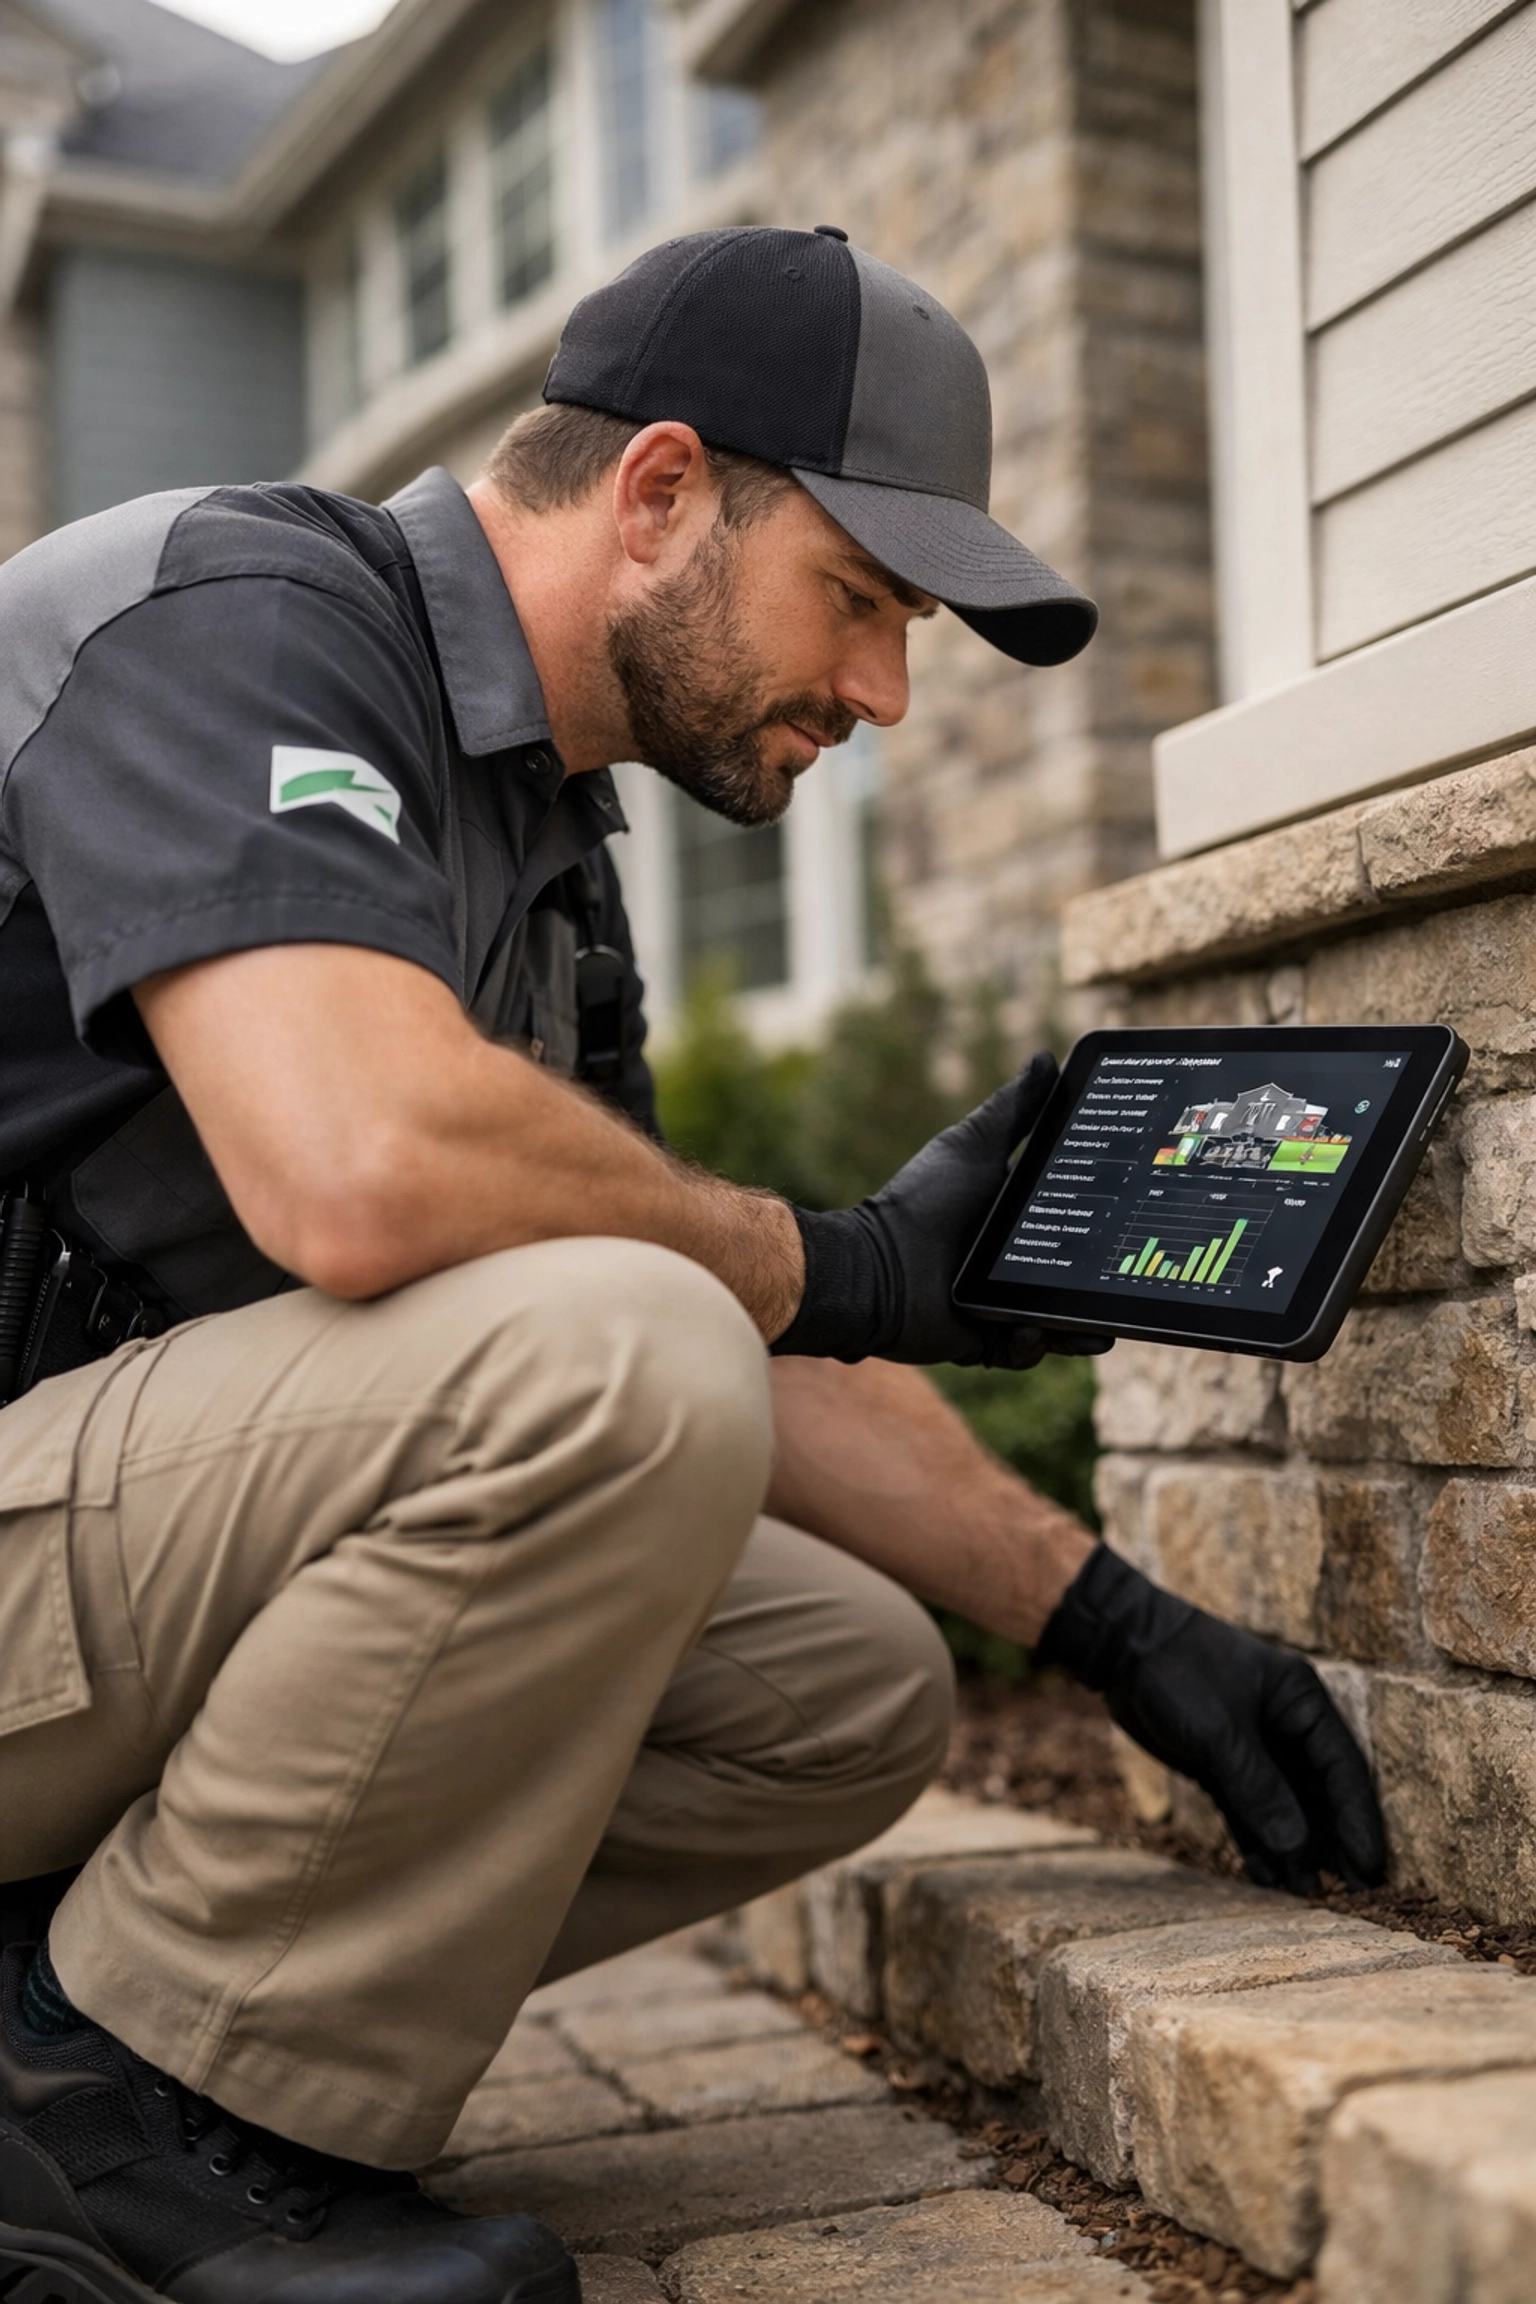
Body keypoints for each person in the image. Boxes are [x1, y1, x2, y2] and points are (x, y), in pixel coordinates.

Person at [0, 225, 1384, 2303]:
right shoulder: (232, 614)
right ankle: (133, 2125)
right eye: (859, 597)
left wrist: (1110, 1623)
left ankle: (60, 1994)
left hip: (85, 1556)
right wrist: (846, 1260)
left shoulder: (552, 860)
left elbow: (685, 1305)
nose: (887, 690)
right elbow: (364, 1170)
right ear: (656, 493)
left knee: (838, 1691)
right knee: (630, 1345)